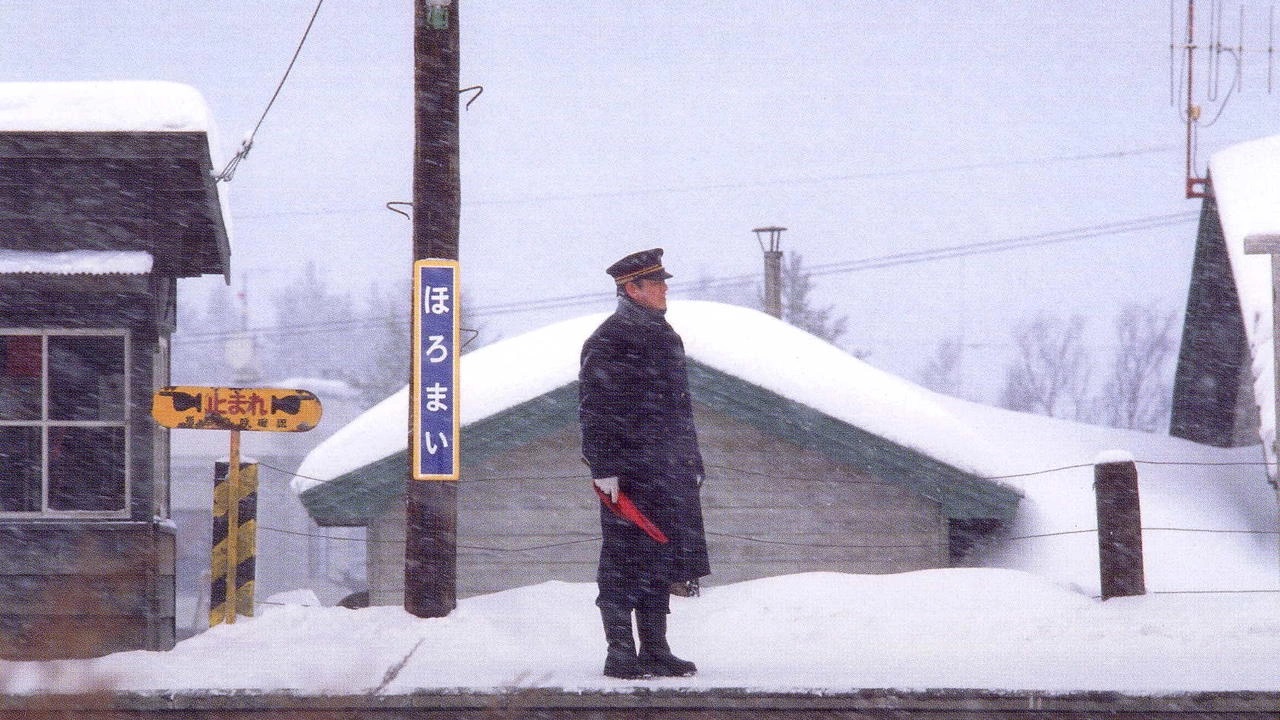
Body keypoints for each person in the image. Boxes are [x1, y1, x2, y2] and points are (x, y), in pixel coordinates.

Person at [578, 247, 710, 679]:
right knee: (622, 559)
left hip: (668, 469)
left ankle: (655, 648)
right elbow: (595, 410)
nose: (665, 288)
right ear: (630, 289)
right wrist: (604, 469)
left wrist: (691, 460)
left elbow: (679, 407)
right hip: (629, 472)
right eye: (656, 283)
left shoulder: (665, 335)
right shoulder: (608, 340)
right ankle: (620, 652)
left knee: (660, 556)